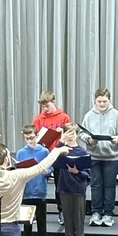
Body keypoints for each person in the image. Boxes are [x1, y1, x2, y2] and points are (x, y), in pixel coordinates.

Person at [80, 87, 118, 228]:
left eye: (104, 101)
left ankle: (108, 213)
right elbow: (82, 133)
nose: (102, 104)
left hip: (111, 157)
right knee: (95, 185)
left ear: (109, 100)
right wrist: (89, 140)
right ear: (95, 101)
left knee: (109, 185)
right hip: (94, 156)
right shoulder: (89, 115)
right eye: (99, 101)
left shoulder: (116, 115)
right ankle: (96, 212)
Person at [32, 90, 70, 224]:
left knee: (60, 184)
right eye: (43, 106)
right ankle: (36, 212)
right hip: (43, 153)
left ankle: (62, 211)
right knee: (38, 182)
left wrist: (62, 132)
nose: (45, 109)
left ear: (53, 102)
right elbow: (34, 136)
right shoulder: (38, 119)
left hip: (58, 153)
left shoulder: (63, 117)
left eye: (47, 105)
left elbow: (70, 135)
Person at [55, 123, 90, 236]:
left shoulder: (82, 151)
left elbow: (87, 174)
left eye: (72, 133)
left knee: (79, 223)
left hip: (78, 190)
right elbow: (52, 158)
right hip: (64, 189)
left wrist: (77, 172)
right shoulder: (60, 149)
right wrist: (61, 142)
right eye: (67, 133)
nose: (70, 136)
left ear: (77, 135)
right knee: (68, 223)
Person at [18, 125, 52, 236]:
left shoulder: (44, 151)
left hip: (40, 191)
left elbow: (50, 168)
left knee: (42, 223)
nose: (30, 140)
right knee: (27, 224)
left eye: (32, 137)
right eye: (27, 138)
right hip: (26, 192)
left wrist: (46, 171)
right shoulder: (21, 152)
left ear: (37, 136)